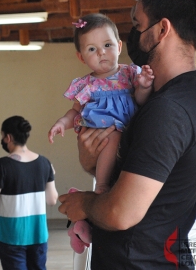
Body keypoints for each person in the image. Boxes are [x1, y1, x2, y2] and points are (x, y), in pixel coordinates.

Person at [58, 0, 196, 269]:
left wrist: (85, 204)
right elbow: (141, 173)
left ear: (162, 29)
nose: (133, 33)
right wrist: (91, 161)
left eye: (138, 24)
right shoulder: (170, 95)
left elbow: (121, 213)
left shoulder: (170, 110)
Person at [48, 13, 154, 194]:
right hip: (104, 131)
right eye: (91, 49)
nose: (101, 52)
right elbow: (74, 112)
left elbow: (140, 101)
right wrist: (61, 123)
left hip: (131, 131)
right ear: (81, 57)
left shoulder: (130, 73)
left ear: (119, 46)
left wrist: (144, 87)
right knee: (112, 140)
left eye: (107, 45)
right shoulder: (85, 84)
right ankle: (101, 185)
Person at [0, 116, 59, 270]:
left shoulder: (2, 165)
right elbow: (52, 200)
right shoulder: (45, 163)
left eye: (2, 136)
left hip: (11, 235)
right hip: (38, 233)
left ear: (8, 137)